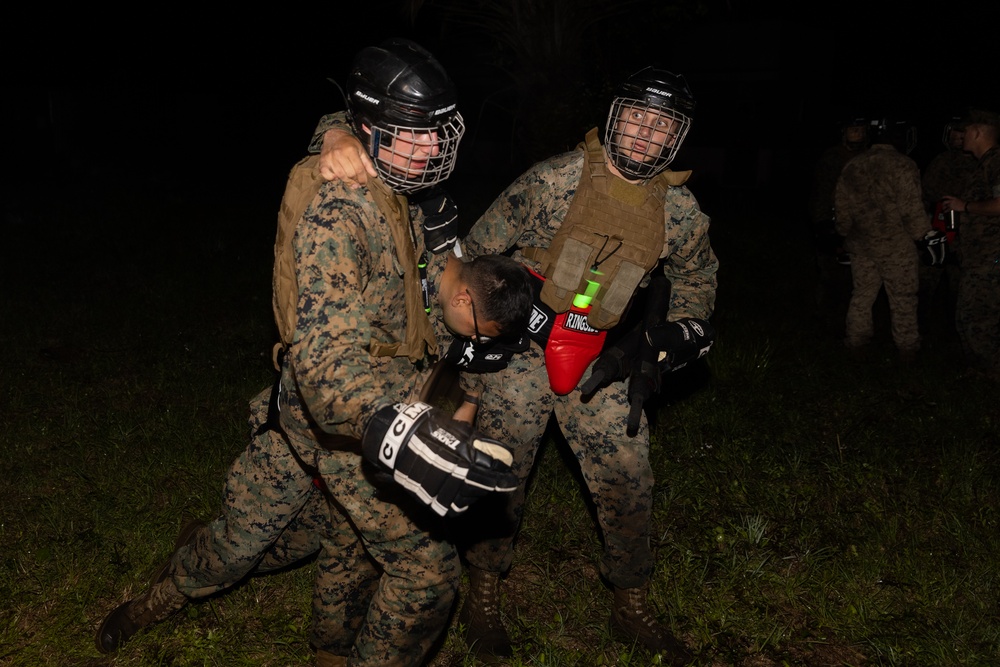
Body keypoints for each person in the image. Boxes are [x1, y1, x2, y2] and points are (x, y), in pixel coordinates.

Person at [94, 38, 535, 667]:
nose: (432, 149)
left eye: (436, 134)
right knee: (248, 548)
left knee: (344, 539)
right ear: (369, 130)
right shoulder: (339, 216)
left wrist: (469, 351)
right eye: (414, 134)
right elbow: (324, 362)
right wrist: (395, 428)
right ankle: (153, 603)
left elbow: (414, 305)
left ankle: (330, 648)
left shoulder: (400, 198)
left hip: (360, 419)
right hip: (326, 417)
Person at [317, 65, 718, 666]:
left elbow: (697, 279)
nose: (643, 134)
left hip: (600, 357)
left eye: (660, 126)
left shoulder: (679, 212)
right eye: (635, 117)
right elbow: (478, 253)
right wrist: (504, 327)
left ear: (675, 139)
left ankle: (631, 600)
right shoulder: (555, 181)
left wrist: (665, 343)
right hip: (522, 350)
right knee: (500, 467)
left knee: (628, 469)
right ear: (614, 118)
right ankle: (484, 594)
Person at [833, 117, 940, 363]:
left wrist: (844, 232)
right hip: (896, 246)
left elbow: (842, 207)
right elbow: (910, 208)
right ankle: (907, 349)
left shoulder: (853, 165)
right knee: (902, 297)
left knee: (862, 294)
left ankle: (856, 342)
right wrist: (925, 236)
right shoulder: (903, 165)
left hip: (862, 243)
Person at [941, 108, 1000, 381]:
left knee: (978, 316)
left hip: (992, 256)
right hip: (979, 255)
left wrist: (965, 206)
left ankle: (987, 373)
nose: (961, 136)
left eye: (965, 132)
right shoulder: (984, 164)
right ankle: (980, 370)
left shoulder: (996, 162)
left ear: (977, 133)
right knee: (970, 314)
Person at [807, 115, 869, 319]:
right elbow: (821, 192)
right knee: (830, 273)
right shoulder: (831, 158)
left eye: (861, 130)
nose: (857, 134)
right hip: (832, 221)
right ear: (844, 133)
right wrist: (823, 225)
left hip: (862, 225)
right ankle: (825, 316)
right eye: (853, 130)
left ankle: (849, 317)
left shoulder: (870, 158)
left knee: (858, 277)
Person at [918, 116, 974, 342]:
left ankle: (954, 335)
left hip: (966, 235)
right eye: (952, 132)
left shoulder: (982, 163)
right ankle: (919, 330)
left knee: (959, 290)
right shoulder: (941, 160)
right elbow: (925, 193)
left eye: (960, 132)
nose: (955, 137)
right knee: (925, 284)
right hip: (939, 231)